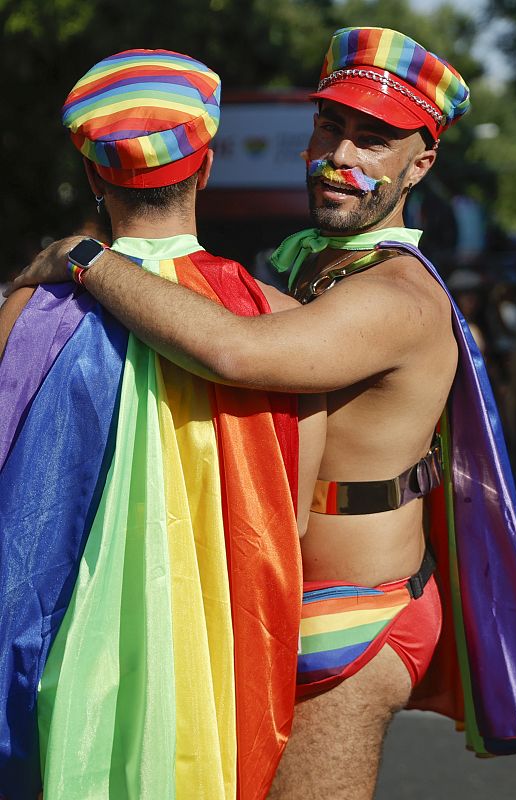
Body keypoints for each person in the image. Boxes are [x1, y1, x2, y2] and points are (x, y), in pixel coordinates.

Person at [8, 28, 516, 799]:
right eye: (331, 127)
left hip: (351, 622)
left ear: (420, 163)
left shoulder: (395, 295)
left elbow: (237, 353)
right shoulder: (312, 261)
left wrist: (86, 258)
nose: (342, 156)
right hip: (272, 610)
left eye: (375, 140)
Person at [0, 49, 325, 800]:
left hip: (59, 661)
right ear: (205, 167)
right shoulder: (278, 323)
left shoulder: (26, 313)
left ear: (92, 177)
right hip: (216, 673)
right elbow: (293, 520)